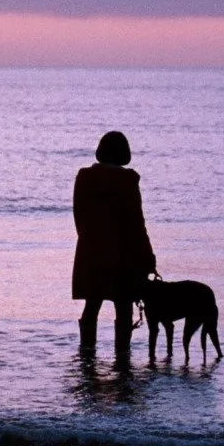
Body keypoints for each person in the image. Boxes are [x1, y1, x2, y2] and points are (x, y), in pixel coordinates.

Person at [72, 131, 156, 357]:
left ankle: (86, 353)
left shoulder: (84, 177)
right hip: (122, 254)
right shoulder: (127, 180)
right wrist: (148, 256)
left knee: (92, 304)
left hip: (91, 251)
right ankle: (122, 355)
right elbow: (137, 223)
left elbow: (78, 215)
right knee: (124, 306)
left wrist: (88, 240)